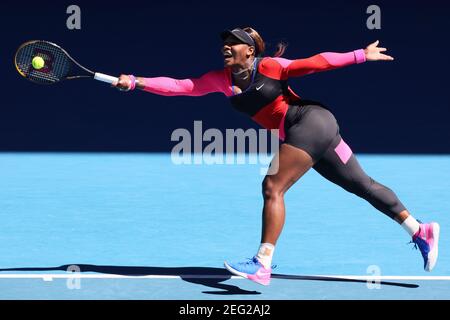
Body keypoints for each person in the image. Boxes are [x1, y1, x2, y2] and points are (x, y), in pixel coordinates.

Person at [113, 27, 440, 286]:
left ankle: (262, 263)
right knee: (362, 185)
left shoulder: (269, 66)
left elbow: (315, 63)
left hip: (310, 121)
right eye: (224, 43)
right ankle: (419, 229)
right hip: (315, 133)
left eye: (234, 43)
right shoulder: (221, 80)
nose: (226, 47)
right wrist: (136, 81)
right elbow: (180, 86)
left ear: (250, 51)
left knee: (273, 186)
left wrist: (359, 55)